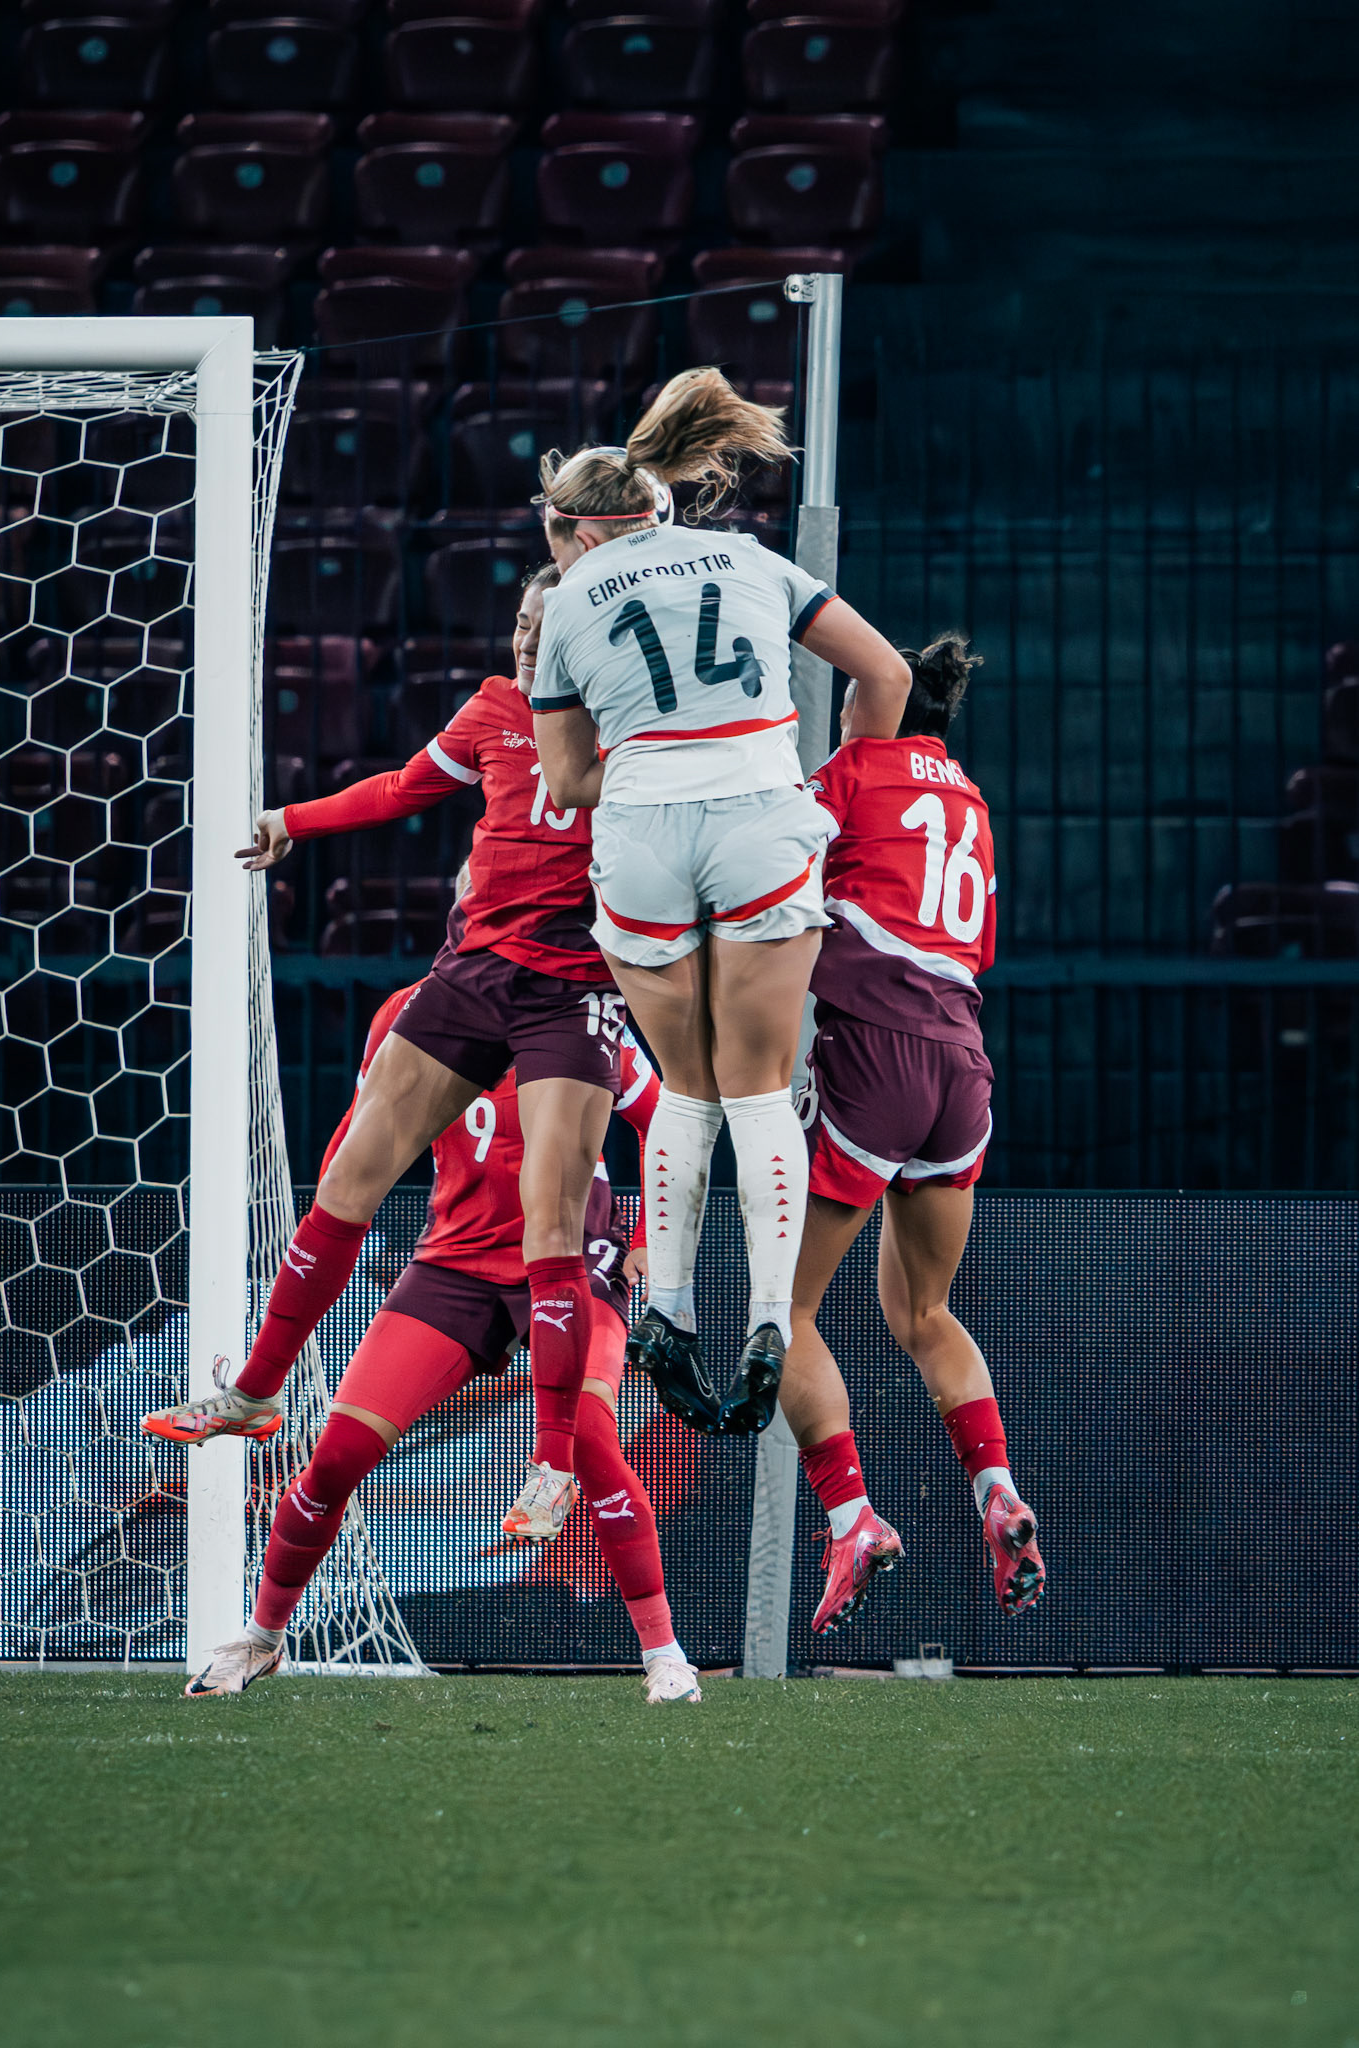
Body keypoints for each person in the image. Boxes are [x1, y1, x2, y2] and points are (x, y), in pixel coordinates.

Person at [147, 565, 629, 1543]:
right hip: (474, 968)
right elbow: (405, 786)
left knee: (552, 1216)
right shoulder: (494, 709)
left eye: (548, 627)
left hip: (571, 983)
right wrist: (293, 820)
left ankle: (550, 1464)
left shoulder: (628, 725)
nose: (528, 641)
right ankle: (251, 1390)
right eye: (520, 624)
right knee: (351, 1169)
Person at [528, 367, 912, 1439]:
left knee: (685, 1085)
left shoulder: (566, 602)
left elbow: (563, 780)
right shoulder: (752, 560)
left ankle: (667, 1307)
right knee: (758, 1088)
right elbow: (882, 673)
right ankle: (767, 1324)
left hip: (644, 832)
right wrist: (832, 773)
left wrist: (657, 755)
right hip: (759, 816)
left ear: (580, 530)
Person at [177, 992, 702, 1706]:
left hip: (578, 1257)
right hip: (456, 1263)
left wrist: (644, 1241)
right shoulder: (413, 1012)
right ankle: (262, 1639)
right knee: (336, 1458)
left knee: (592, 1446)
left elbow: (662, 1120)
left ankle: (664, 1655)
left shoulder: (582, 1011)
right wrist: (331, 1207)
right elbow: (363, 1131)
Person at [780, 637, 1045, 1634]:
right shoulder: (971, 796)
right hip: (962, 1066)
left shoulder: (853, 770)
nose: (846, 713)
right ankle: (997, 1494)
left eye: (852, 699)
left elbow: (773, 865)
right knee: (924, 1310)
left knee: (786, 1306)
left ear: (879, 708)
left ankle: (852, 1518)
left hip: (876, 1057)